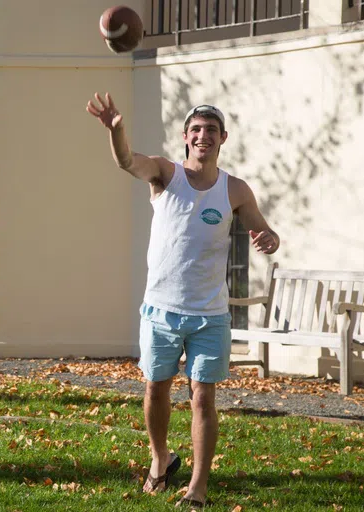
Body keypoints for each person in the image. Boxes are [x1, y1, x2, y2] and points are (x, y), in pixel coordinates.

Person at [86, 93, 279, 508]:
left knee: (202, 396)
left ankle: (198, 487)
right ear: (185, 137)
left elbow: (266, 232)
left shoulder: (236, 190)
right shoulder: (165, 174)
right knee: (156, 389)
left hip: (210, 314)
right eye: (196, 130)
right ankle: (160, 458)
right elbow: (126, 161)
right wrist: (117, 130)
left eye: (211, 130)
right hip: (161, 308)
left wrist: (269, 239)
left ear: (222, 138)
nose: (203, 136)